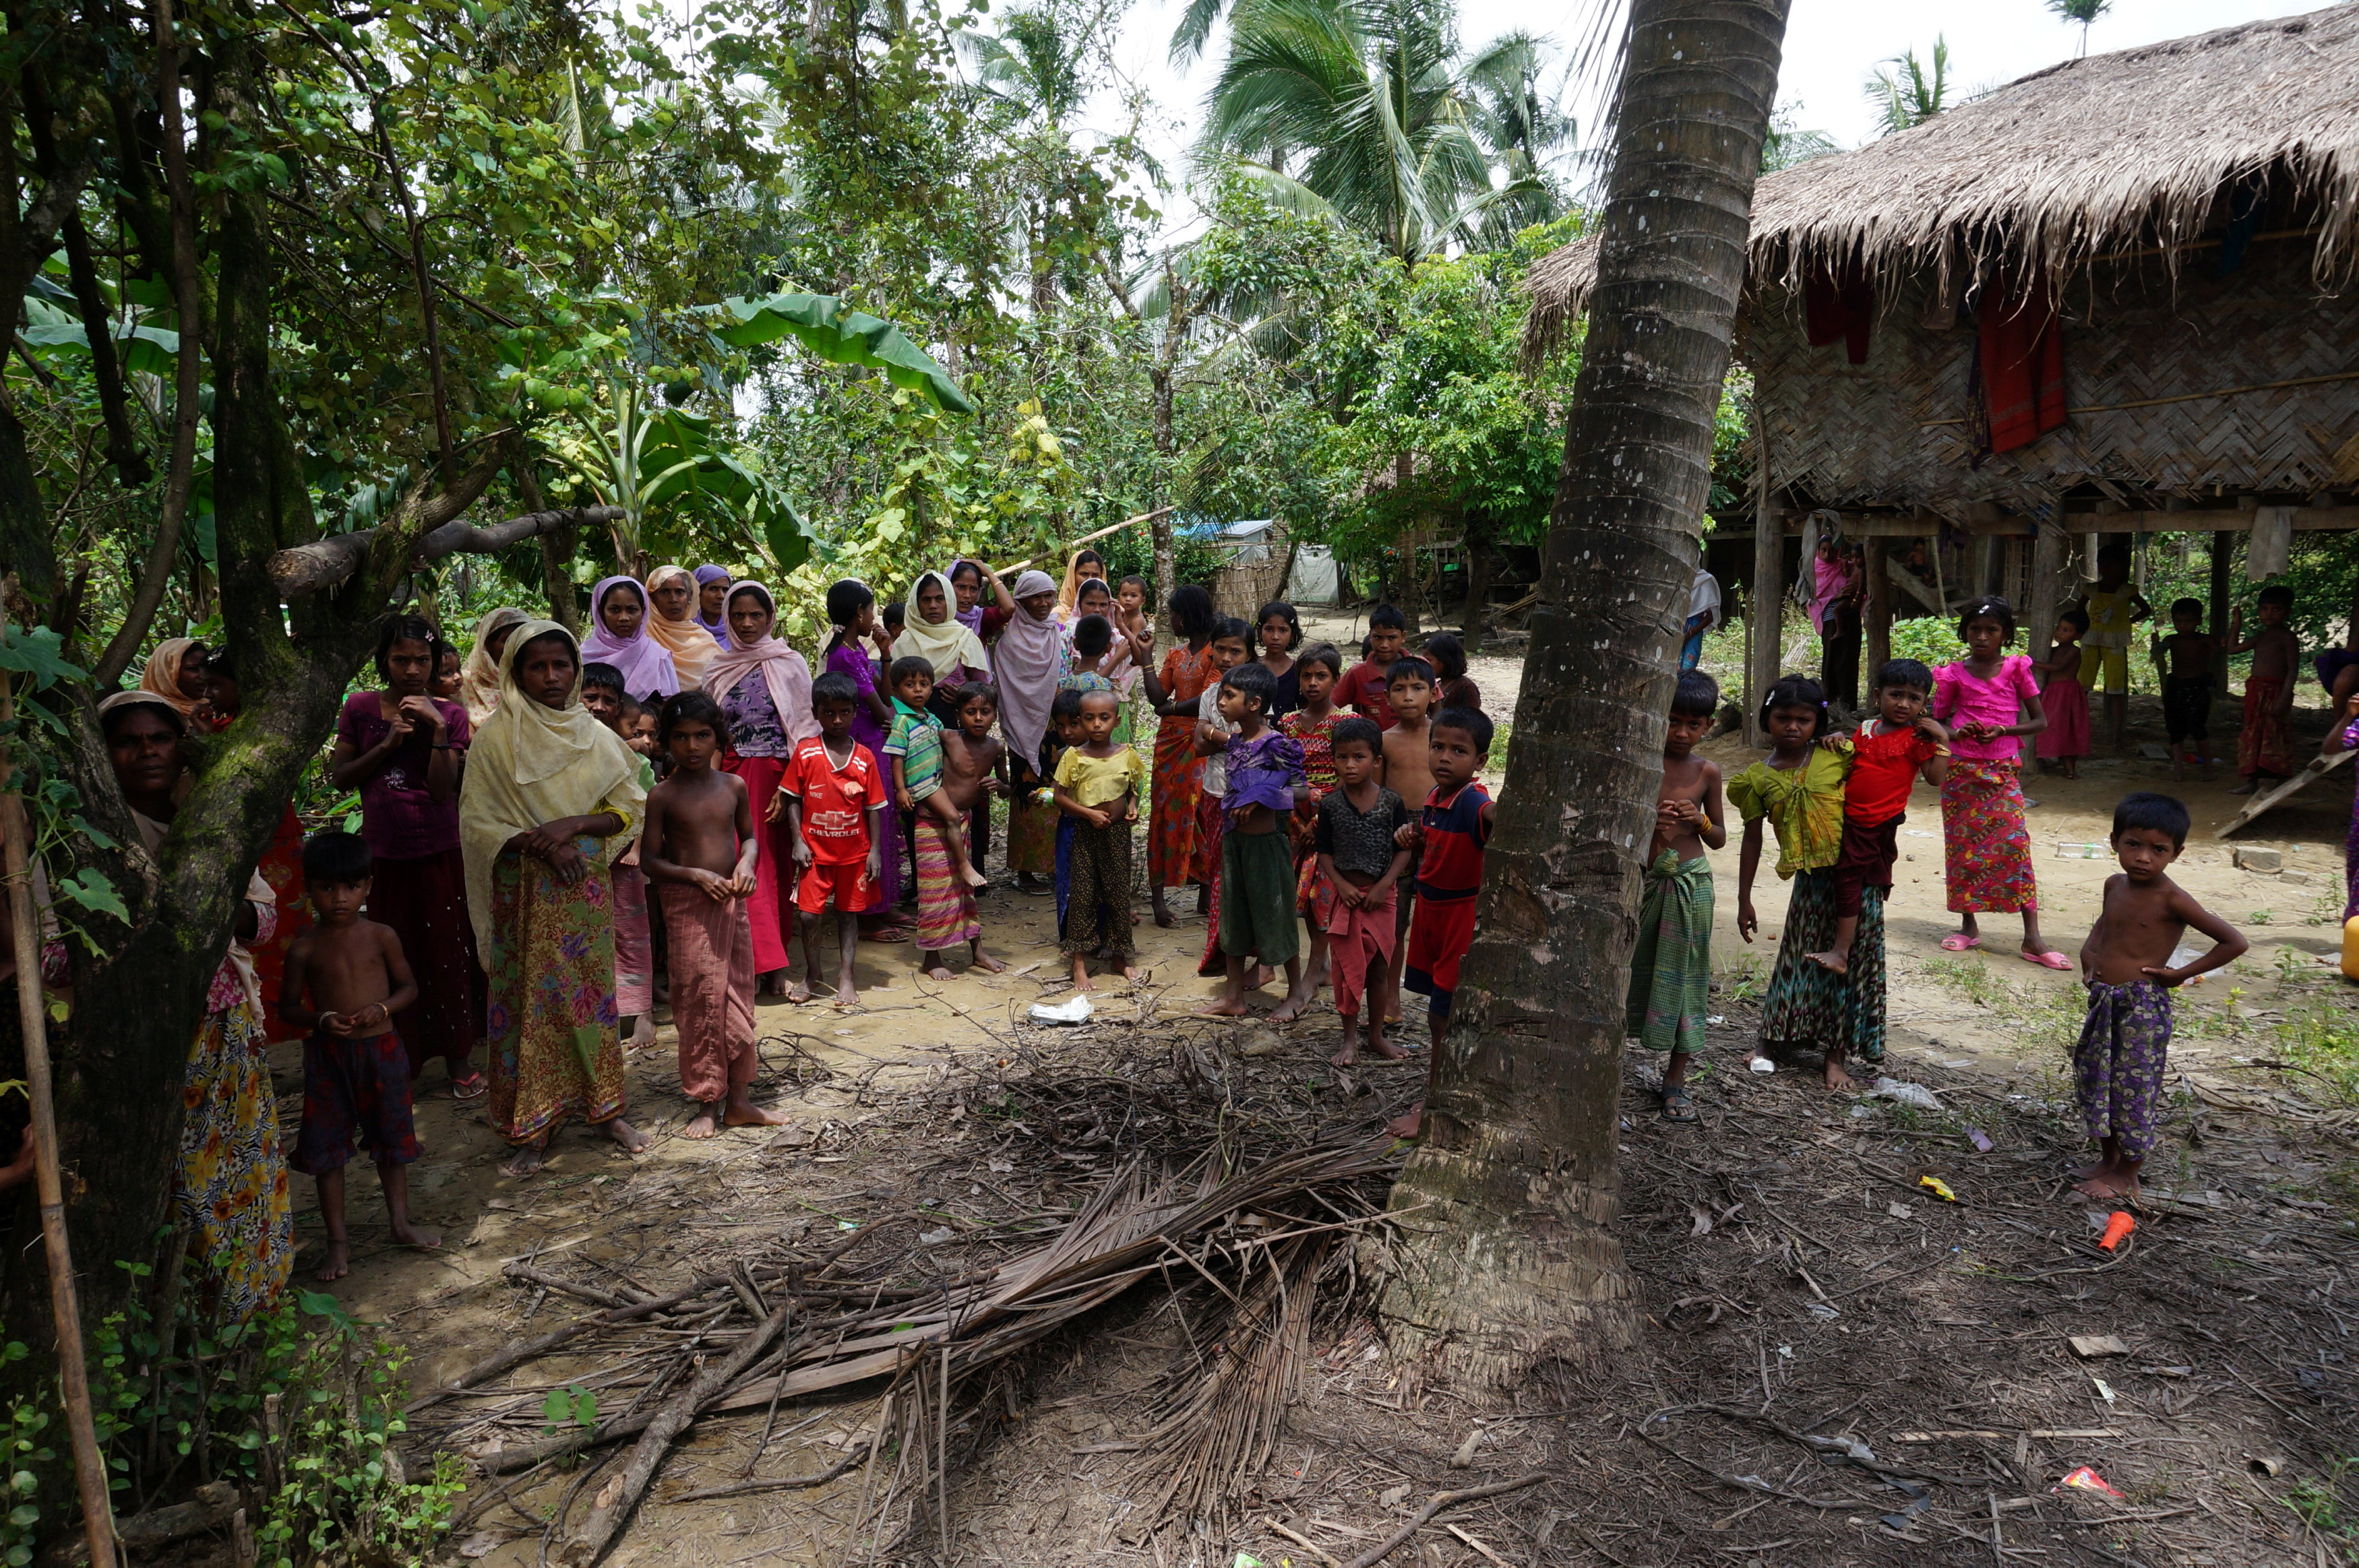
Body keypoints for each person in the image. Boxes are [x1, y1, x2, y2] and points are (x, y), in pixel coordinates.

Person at [100, 691, 292, 1319]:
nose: (147, 751)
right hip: (134, 1034)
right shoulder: (93, 835)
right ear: (104, 755)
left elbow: (263, 922)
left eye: (159, 737)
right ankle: (193, 1316)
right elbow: (56, 952)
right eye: (129, 741)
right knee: (180, 1179)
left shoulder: (213, 815)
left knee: (244, 1160)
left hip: (223, 1026)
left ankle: (257, 1298)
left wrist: (209, 888)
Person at [458, 621, 652, 1176]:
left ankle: (605, 1110)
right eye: (536, 666)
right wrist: (538, 844)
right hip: (522, 895)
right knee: (530, 1004)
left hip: (582, 893)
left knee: (591, 998)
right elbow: (477, 821)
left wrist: (572, 825)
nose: (550, 676)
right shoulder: (494, 741)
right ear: (515, 672)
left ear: (576, 669)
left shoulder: (596, 736)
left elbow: (628, 806)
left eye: (560, 665)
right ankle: (533, 1124)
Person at [329, 615, 483, 1096]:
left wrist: (436, 731)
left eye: (422, 659)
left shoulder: (451, 716)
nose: (412, 669)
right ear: (384, 661)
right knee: (395, 956)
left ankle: (459, 1058)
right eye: (401, 659)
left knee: (448, 951)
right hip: (383, 856)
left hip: (439, 850)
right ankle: (405, 1058)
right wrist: (389, 742)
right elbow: (343, 777)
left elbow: (442, 792)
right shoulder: (359, 708)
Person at [278, 831, 436, 1282]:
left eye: (350, 886)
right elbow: (288, 1007)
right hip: (329, 1056)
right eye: (327, 887)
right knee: (326, 1148)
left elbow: (409, 987)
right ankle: (337, 1241)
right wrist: (321, 1018)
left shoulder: (381, 936)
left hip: (383, 1051)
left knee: (392, 1138)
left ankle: (400, 1222)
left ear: (368, 885)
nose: (339, 898)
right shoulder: (305, 947)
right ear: (309, 888)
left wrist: (382, 1008)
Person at [2073, 792, 2246, 1197]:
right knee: (2097, 1078)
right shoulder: (2114, 884)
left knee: (2133, 1087)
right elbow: (2105, 924)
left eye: (2158, 849)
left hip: (2142, 1007)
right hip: (2105, 1000)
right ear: (2114, 841)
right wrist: (2089, 953)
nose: (2144, 857)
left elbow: (2233, 942)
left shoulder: (2173, 899)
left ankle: (2128, 1173)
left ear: (2177, 853)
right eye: (2134, 844)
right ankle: (2109, 1159)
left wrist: (2179, 975)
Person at [644, 691, 789, 1139]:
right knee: (699, 1000)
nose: (692, 746)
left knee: (738, 995)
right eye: (681, 737)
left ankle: (740, 1100)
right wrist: (694, 875)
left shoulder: (733, 786)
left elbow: (749, 838)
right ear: (666, 742)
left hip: (731, 901)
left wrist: (746, 865)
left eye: (702, 736)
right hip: (688, 906)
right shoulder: (662, 796)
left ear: (718, 739)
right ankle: (708, 1099)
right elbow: (650, 861)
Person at [1732, 676, 1879, 1087]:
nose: (1793, 727)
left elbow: (1881, 780)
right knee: (1795, 961)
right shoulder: (1755, 780)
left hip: (1855, 877)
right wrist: (1744, 899)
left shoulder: (1839, 756)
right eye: (1783, 718)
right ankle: (1769, 1042)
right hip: (1810, 883)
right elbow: (1752, 838)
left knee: (1846, 966)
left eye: (1804, 719)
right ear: (1766, 720)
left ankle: (1835, 1056)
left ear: (1819, 723)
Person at [1934, 596, 2063, 967]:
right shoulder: (1952, 674)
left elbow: (2040, 722)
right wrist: (1959, 732)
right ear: (1965, 632)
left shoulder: (2016, 669)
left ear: (2005, 634)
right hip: (1960, 774)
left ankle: (2033, 939)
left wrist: (2004, 728)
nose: (1982, 636)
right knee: (1963, 849)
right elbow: (1939, 723)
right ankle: (1968, 926)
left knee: (2015, 845)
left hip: (2002, 771)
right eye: (1975, 629)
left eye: (1991, 630)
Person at [702, 582, 818, 995]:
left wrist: (790, 788)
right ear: (727, 619)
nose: (747, 623)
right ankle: (752, 965)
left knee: (773, 871)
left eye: (756, 615)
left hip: (779, 780)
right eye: (738, 616)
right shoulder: (717, 666)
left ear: (770, 618)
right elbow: (712, 734)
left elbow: (804, 728)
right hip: (732, 779)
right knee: (741, 866)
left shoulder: (789, 663)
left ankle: (774, 965)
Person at [1390, 705, 1498, 1140]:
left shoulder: (1474, 802)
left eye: (1459, 750)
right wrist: (1411, 839)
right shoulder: (1434, 801)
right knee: (1439, 1010)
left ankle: (1436, 1100)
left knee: (1441, 1016)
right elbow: (1433, 850)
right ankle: (1443, 1088)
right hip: (1430, 913)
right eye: (1438, 747)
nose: (1445, 757)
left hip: (1459, 917)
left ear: (1479, 761)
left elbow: (1496, 820)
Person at [1804, 660, 1948, 982]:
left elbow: (1936, 779)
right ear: (1877, 694)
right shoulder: (1867, 728)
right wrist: (1841, 738)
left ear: (1925, 704)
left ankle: (1841, 952)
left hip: (1875, 821)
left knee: (1848, 878)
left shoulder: (1918, 738)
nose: (1904, 704)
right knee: (1857, 875)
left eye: (1915, 698)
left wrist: (1944, 742)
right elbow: (1854, 759)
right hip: (1849, 816)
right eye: (1896, 695)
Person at [1627, 670, 1728, 1123]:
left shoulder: (1707, 772)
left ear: (1708, 726)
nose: (1682, 732)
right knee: (1631, 972)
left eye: (1694, 724)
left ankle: (1676, 1080)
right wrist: (1653, 825)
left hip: (1690, 885)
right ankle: (1613, 1063)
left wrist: (1699, 822)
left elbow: (1720, 837)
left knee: (1685, 980)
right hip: (1642, 883)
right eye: (1673, 720)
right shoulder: (1639, 762)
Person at [1202, 662, 1310, 1018]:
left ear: (1254, 703)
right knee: (1233, 918)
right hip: (1235, 846)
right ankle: (1234, 996)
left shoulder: (1277, 744)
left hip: (1267, 847)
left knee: (1276, 917)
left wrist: (1261, 795)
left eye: (1229, 696)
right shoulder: (1234, 742)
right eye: (1221, 694)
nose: (1221, 702)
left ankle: (1295, 994)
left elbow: (1300, 791)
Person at [779, 672, 886, 1006]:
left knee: (847, 915)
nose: (836, 720)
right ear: (815, 712)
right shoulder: (807, 752)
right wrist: (798, 840)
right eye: (828, 712)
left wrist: (875, 852)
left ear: (855, 711)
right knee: (809, 916)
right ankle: (813, 974)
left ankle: (847, 976)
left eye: (844, 712)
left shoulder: (865, 757)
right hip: (814, 853)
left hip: (854, 855)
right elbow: (793, 798)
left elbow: (873, 808)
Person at [821, 579, 912, 934]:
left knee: (883, 823)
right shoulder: (843, 656)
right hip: (862, 746)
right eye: (871, 609)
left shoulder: (856, 649)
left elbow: (885, 697)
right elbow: (882, 710)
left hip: (873, 743)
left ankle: (882, 904)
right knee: (869, 828)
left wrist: (885, 652)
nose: (873, 615)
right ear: (859, 612)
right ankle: (868, 913)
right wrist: (895, 723)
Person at [1320, 718, 1410, 1067]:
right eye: (1342, 757)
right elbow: (1325, 852)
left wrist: (1385, 884)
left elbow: (1403, 850)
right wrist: (1342, 885)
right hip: (1346, 898)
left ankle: (1376, 1036)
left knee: (1378, 969)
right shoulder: (1329, 805)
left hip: (1382, 899)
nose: (1350, 765)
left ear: (1376, 761)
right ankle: (1348, 1039)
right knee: (1345, 970)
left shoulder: (1391, 802)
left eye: (1359, 757)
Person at [582, 662, 658, 1050]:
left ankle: (642, 1011)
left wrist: (634, 848)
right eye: (589, 697)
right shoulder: (561, 748)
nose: (597, 707)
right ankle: (598, 1012)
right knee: (586, 938)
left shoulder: (635, 762)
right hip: (577, 860)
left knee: (631, 934)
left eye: (607, 701)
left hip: (623, 859)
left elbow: (644, 807)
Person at [1053, 688, 1149, 990]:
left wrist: (1133, 806)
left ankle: (1120, 956)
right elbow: (1059, 797)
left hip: (1118, 833)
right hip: (1085, 832)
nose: (1097, 725)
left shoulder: (1127, 753)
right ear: (1081, 721)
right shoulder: (1074, 757)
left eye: (1104, 718)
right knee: (1083, 894)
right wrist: (1087, 814)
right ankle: (1079, 963)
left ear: (1116, 719)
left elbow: (1134, 787)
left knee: (1118, 893)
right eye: (1090, 718)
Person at [1145, 585, 1221, 924]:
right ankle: (1159, 899)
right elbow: (1155, 696)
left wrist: (1172, 706)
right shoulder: (1175, 655)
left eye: (1173, 613)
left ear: (1187, 615)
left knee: (1201, 813)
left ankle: (1205, 893)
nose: (1170, 619)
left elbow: (1207, 699)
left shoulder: (1216, 653)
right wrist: (1146, 657)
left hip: (1200, 740)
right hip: (1168, 744)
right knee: (1162, 812)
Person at [991, 569, 1070, 897]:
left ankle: (1054, 865)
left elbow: (1068, 673)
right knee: (1027, 796)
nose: (1043, 603)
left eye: (1048, 596)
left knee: (1059, 794)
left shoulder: (1060, 633)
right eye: (1035, 597)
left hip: (1057, 729)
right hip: (1024, 731)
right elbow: (1009, 690)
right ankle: (1024, 870)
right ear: (1021, 601)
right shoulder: (1008, 643)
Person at [925, 685, 1006, 978]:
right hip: (933, 820)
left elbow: (1006, 789)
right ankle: (931, 957)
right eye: (970, 712)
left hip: (964, 821)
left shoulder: (997, 749)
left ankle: (977, 951)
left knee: (965, 890)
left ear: (995, 715)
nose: (978, 718)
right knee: (935, 889)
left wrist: (1000, 786)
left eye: (985, 712)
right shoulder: (947, 737)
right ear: (959, 716)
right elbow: (917, 741)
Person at [1283, 643, 1347, 995]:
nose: (1312, 683)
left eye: (1321, 676)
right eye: (1306, 675)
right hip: (1295, 818)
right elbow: (1283, 775)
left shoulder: (1346, 723)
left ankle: (1314, 969)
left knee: (1323, 892)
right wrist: (1299, 823)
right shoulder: (1289, 723)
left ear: (1335, 679)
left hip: (1330, 822)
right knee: (1303, 896)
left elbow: (1347, 774)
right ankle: (1321, 966)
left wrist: (1319, 823)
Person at [1381, 656, 1439, 1009]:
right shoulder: (1384, 741)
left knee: (1438, 915)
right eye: (1399, 689)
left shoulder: (1443, 736)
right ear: (1387, 697)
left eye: (1417, 688)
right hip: (1398, 832)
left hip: (1439, 831)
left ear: (1433, 693)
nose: (1408, 696)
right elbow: (1378, 795)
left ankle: (1443, 991)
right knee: (1395, 919)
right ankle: (1390, 997)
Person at [2070, 544, 2151, 753]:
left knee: (2116, 691)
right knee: (2082, 689)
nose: (2106, 567)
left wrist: (2127, 621)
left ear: (2120, 566)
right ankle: (2076, 731)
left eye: (2111, 563)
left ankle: (2117, 736)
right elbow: (2078, 612)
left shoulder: (2127, 590)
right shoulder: (2091, 589)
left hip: (2115, 642)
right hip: (2090, 640)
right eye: (2102, 563)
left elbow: (2146, 610)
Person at [2224, 585, 2300, 794]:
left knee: (2276, 735)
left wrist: (2284, 698)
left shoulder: (2287, 638)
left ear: (2287, 612)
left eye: (2276, 609)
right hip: (2255, 692)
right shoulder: (2260, 637)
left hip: (2276, 692)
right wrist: (2236, 624)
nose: (2269, 613)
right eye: (2264, 608)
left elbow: (2293, 671)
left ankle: (2282, 780)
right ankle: (2251, 781)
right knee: (2253, 735)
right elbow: (2231, 650)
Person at [903, 569, 993, 726]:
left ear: (950, 601)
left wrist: (964, 696)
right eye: (926, 600)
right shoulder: (904, 642)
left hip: (955, 726)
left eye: (940, 599)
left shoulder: (965, 638)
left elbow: (984, 691)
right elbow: (894, 693)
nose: (933, 606)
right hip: (912, 729)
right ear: (916, 604)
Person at [580, 575, 681, 703]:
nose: (624, 618)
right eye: (614, 610)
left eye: (632, 610)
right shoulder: (581, 657)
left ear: (643, 612)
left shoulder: (658, 657)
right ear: (601, 612)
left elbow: (670, 707)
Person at [2151, 597, 2217, 781]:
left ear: (2198, 621)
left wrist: (2226, 640)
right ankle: (2178, 768)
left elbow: (2221, 650)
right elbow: (2159, 652)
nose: (2183, 626)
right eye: (2178, 622)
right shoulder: (2171, 639)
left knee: (2198, 728)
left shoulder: (2206, 640)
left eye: (2188, 621)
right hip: (2176, 686)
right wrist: (2156, 645)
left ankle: (2209, 767)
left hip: (2198, 687)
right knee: (2175, 729)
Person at [2033, 608, 2091, 779]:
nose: (2060, 632)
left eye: (2066, 630)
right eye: (2059, 628)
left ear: (2078, 636)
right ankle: (2046, 756)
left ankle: (2070, 768)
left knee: (2068, 728)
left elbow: (2058, 668)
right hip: (2053, 692)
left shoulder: (2074, 651)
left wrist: (2032, 662)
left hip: (2066, 693)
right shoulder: (2052, 650)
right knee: (2052, 725)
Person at [1811, 536, 1863, 717]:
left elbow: (1859, 588)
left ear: (1839, 551)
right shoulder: (1814, 570)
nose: (1828, 554)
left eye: (1832, 550)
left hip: (1850, 618)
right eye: (1824, 550)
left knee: (1847, 662)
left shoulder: (1848, 566)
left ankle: (1848, 707)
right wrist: (1836, 597)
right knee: (1830, 662)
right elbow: (1812, 598)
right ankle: (1829, 704)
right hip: (1829, 620)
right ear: (1818, 550)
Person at [645, 564, 721, 687]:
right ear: (652, 598)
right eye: (665, 592)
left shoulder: (704, 639)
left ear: (689, 597)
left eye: (680, 592)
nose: (673, 599)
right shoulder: (644, 636)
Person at [1337, 606, 1411, 726]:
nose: (1384, 645)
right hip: (1373, 743)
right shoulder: (1357, 673)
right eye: (1378, 637)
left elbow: (1435, 707)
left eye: (1392, 638)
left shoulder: (1418, 668)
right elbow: (1330, 706)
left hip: (1414, 743)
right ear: (1370, 635)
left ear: (1403, 637)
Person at [459, 606, 531, 728]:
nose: (516, 646)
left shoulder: (536, 679)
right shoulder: (462, 683)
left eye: (522, 639)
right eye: (507, 640)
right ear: (487, 644)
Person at [140, 635, 210, 718]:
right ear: (166, 673)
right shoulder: (146, 713)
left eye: (206, 669)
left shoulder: (212, 707)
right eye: (193, 669)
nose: (204, 676)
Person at [1256, 600, 1303, 718]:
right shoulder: (1251, 668)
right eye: (1269, 629)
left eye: (1283, 630)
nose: (1275, 637)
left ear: (1292, 635)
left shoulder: (1299, 671)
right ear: (1260, 632)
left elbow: (1305, 710)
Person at [1422, 633, 1481, 714]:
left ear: (1445, 660)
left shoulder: (1465, 687)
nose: (1425, 665)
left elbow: (1473, 719)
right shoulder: (1436, 685)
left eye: (1429, 660)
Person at [1680, 567, 1721, 672]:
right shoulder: (1676, 577)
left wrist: (1690, 634)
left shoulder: (1705, 580)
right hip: (1676, 626)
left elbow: (1711, 615)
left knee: (1688, 668)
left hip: (1694, 629)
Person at [1054, 546, 1110, 619]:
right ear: (1072, 576)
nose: (1089, 580)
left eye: (1095, 575)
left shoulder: (1114, 613)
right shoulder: (1055, 617)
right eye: (1084, 574)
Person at [694, 565, 733, 640]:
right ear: (697, 592)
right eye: (714, 589)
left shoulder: (737, 632)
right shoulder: (681, 631)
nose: (721, 596)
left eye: (725, 590)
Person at [430, 639, 464, 706]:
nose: (458, 677)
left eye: (458, 669)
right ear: (427, 681)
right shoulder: (440, 707)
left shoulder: (454, 700)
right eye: (447, 673)